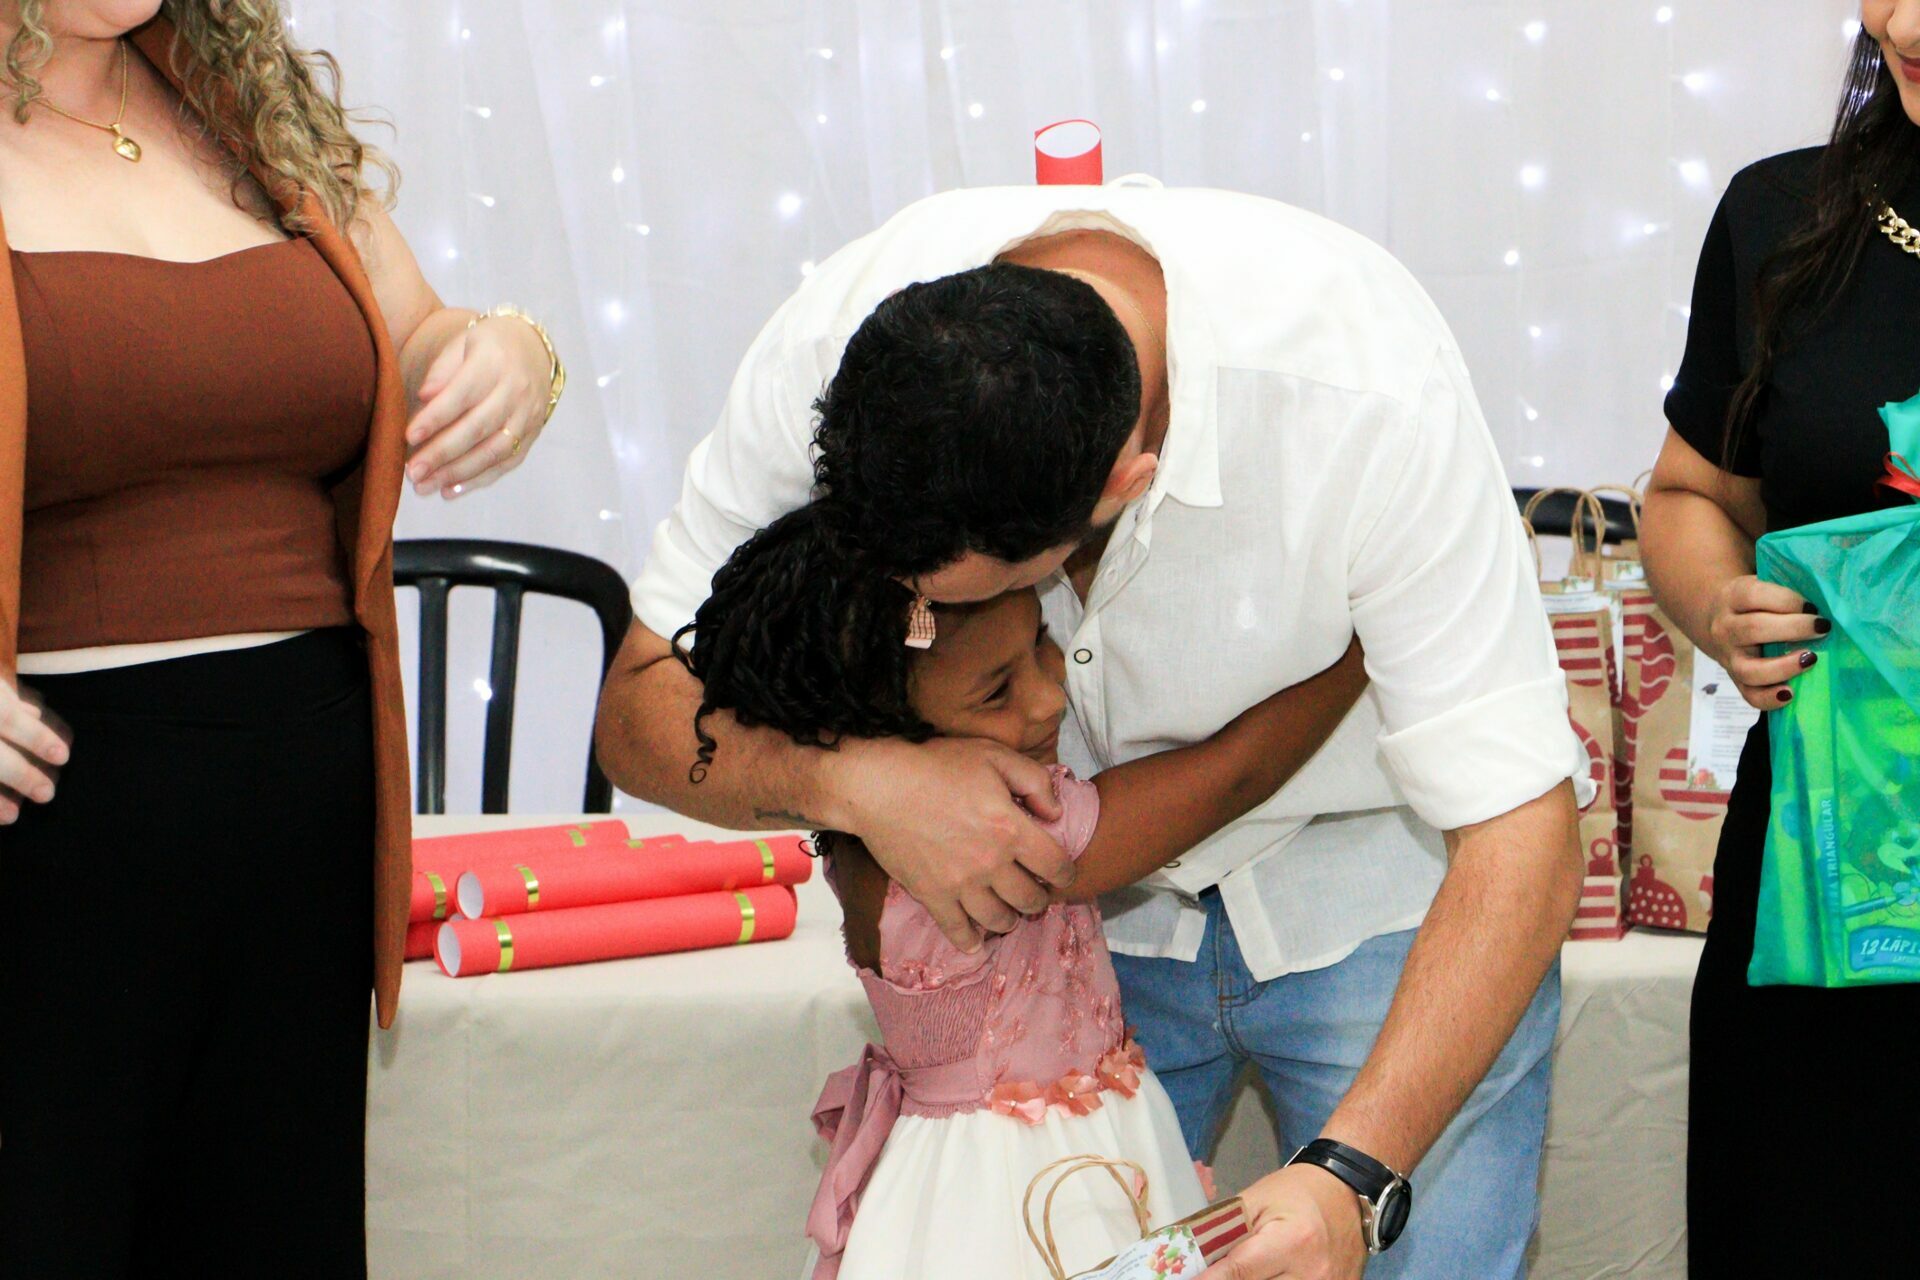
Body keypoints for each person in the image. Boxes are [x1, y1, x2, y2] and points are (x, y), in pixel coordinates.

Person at [596, 182, 1587, 1280]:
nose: (1037, 696)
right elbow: (640, 707)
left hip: (1380, 898)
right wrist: (861, 783)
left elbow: (1524, 837)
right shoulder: (831, 352)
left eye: (992, 608)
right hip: (1097, 961)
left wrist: (1354, 1173)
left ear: (1124, 486)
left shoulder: (1363, 380)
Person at [0, 4, 564, 1274]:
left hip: (306, 815)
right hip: (58, 830)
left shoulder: (240, 102)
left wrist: (512, 352)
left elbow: (417, 331)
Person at [676, 498, 1368, 1279]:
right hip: (1031, 1177)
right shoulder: (1000, 830)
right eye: (995, 692)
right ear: (875, 729)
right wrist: (1366, 646)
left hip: (935, 1176)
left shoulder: (855, 832)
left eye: (1042, 642)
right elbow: (1233, 774)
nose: (1048, 697)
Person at [1642, 4, 1920, 1275]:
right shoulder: (1784, 217)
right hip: (1827, 887)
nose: (1900, 21)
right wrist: (1720, 604)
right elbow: (1690, 494)